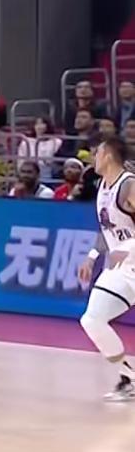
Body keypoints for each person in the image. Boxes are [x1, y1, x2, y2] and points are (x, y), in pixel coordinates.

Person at [77, 137, 135, 401]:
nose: (93, 158)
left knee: (93, 319)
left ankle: (129, 378)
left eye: (97, 153)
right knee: (93, 320)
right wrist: (92, 257)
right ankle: (128, 378)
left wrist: (129, 248)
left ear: (109, 155)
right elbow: (107, 228)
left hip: (130, 261)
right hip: (118, 263)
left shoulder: (128, 185)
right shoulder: (103, 186)